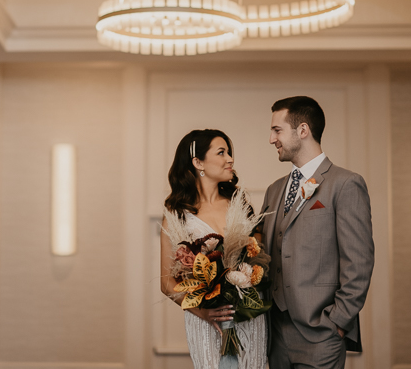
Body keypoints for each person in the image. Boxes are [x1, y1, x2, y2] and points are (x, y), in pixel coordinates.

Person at [261, 96, 374, 369]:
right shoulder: (274, 189)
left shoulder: (345, 184)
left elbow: (358, 262)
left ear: (302, 130)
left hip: (320, 334)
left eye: (277, 130)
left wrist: (336, 322)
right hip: (274, 333)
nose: (271, 139)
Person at [160, 129, 267, 369]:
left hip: (249, 315)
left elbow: (259, 260)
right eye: (221, 152)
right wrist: (203, 313)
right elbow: (167, 283)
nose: (230, 159)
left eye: (229, 152)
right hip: (208, 320)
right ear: (198, 162)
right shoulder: (177, 216)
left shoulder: (242, 207)